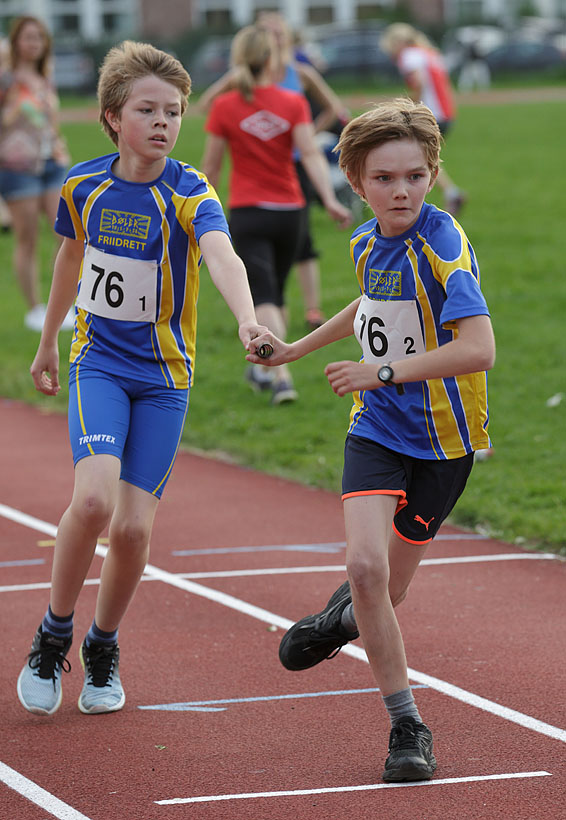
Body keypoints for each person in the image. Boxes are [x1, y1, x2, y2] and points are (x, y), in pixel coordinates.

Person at [17, 40, 268, 717]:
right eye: (147, 110)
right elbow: (70, 261)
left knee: (131, 531)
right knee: (93, 502)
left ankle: (102, 644)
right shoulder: (84, 186)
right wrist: (48, 340)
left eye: (175, 112)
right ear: (112, 117)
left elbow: (221, 255)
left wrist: (247, 320)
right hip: (98, 363)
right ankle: (53, 633)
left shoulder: (189, 190)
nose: (163, 122)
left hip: (163, 377)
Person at [247, 98, 495, 781]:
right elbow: (371, 304)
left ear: (432, 174)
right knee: (366, 571)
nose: (402, 191)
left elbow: (479, 349)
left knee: (387, 592)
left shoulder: (445, 245)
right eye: (384, 179)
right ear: (356, 182)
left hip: (445, 442)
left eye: (415, 176)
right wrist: (295, 350)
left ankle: (339, 624)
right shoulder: (365, 242)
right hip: (378, 428)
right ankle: (407, 726)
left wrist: (380, 369)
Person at [201, 25, 350, 404]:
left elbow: (211, 168)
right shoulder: (292, 101)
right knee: (275, 296)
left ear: (237, 61)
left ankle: (281, 376)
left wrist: (198, 215)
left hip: (249, 213)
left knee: (265, 297)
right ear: (272, 60)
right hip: (291, 214)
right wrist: (329, 198)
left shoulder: (225, 105)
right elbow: (311, 153)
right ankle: (261, 368)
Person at [0, 16, 73, 331]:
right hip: (17, 167)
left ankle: (60, 304)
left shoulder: (46, 76)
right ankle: (34, 309)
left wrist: (58, 143)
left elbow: (50, 119)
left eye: (39, 38)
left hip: (52, 162)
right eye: (28, 37)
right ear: (16, 41)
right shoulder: (5, 77)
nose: (34, 43)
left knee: (66, 234)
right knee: (27, 238)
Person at [380, 23, 467, 217]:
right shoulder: (427, 52)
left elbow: (419, 82)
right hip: (444, 112)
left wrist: (409, 107)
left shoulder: (409, 55)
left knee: (415, 157)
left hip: (431, 113)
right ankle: (448, 193)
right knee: (423, 156)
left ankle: (435, 196)